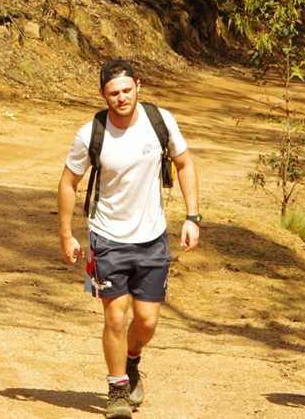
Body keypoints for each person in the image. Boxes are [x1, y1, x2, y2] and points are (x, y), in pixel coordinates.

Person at [57, 60, 201, 419]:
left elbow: (184, 163)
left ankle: (132, 360)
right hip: (107, 238)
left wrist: (192, 216)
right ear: (103, 95)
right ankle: (117, 388)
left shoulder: (160, 121)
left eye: (126, 90)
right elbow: (67, 182)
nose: (121, 98)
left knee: (147, 321)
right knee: (116, 319)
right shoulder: (91, 132)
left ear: (138, 85)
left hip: (152, 238)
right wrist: (66, 234)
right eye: (113, 93)